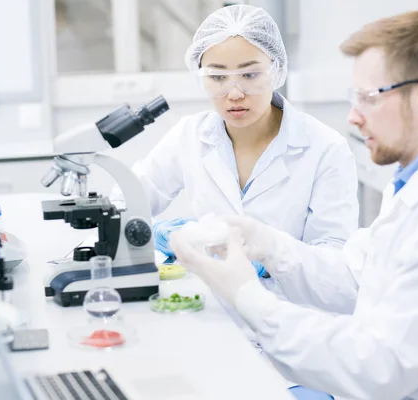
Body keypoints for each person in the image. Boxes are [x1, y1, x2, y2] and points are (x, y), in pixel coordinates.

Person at [171, 10, 418, 400]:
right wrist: (267, 243)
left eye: (367, 98)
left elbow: (379, 366)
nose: (353, 116)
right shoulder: (417, 183)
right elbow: (355, 278)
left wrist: (247, 295)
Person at [112, 4, 358, 288]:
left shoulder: (326, 148)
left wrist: (270, 258)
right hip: (212, 306)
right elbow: (124, 202)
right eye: (218, 77)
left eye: (250, 75)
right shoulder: (189, 136)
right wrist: (154, 232)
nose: (235, 93)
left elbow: (334, 257)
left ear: (275, 71)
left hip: (292, 311)